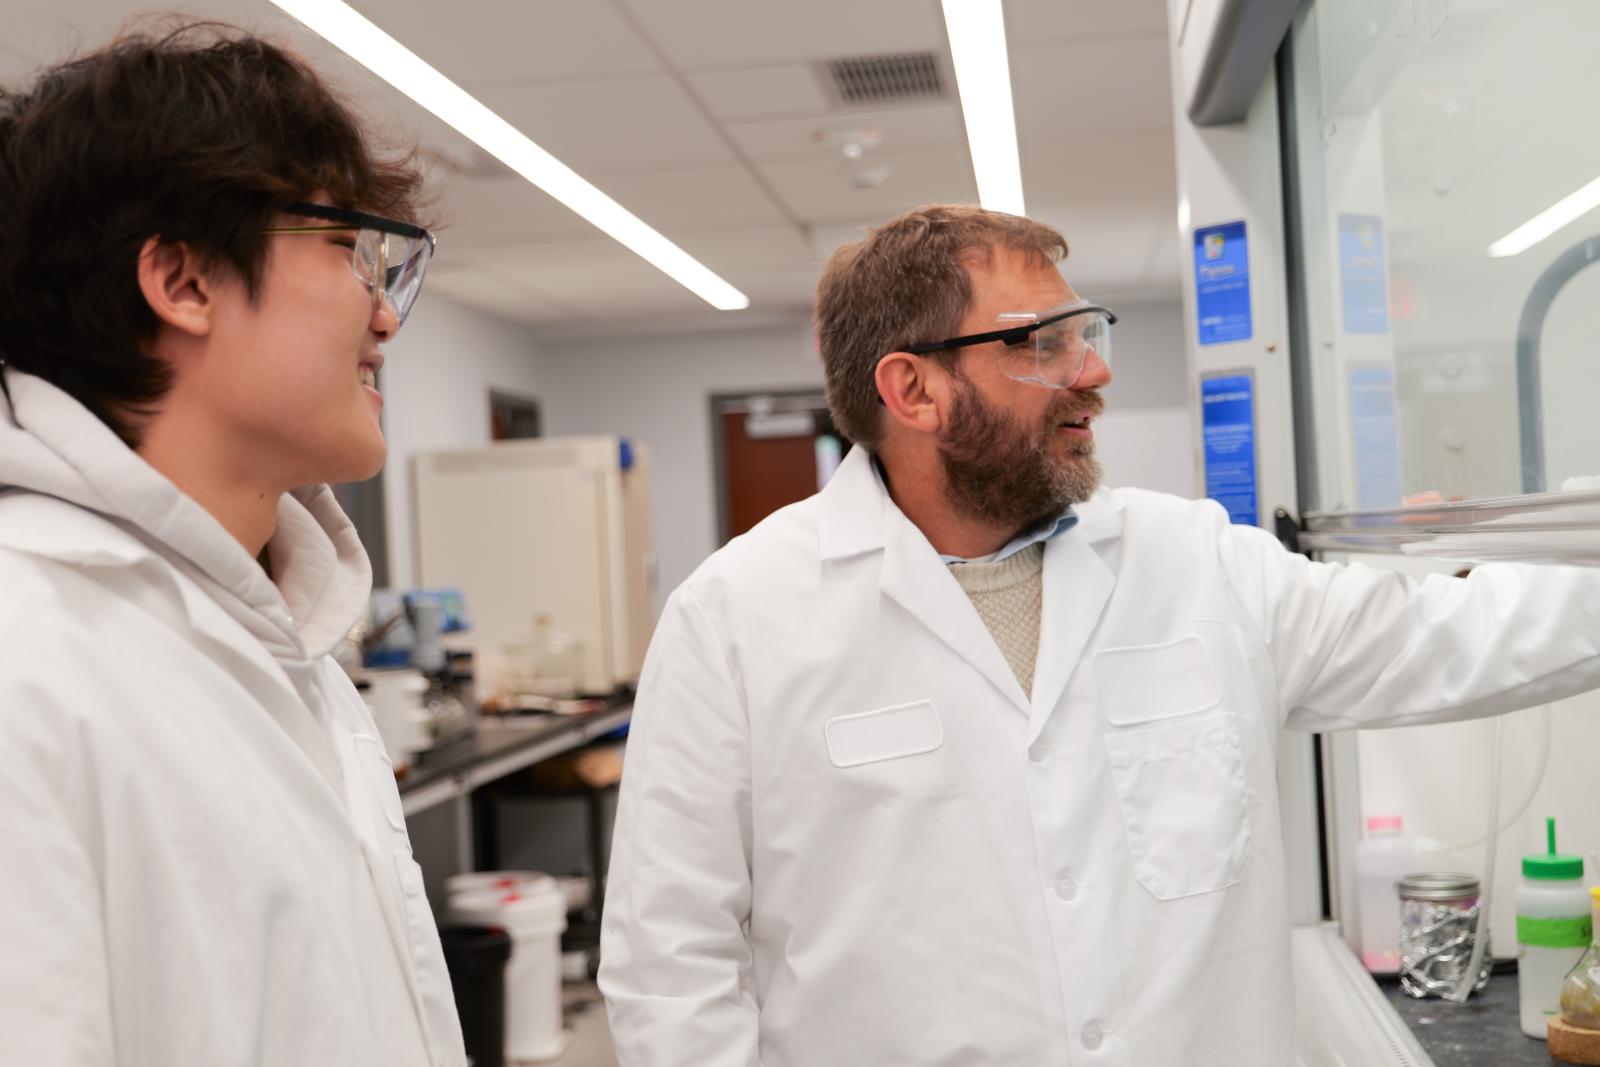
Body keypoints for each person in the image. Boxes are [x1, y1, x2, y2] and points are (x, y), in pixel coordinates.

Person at [599, 204, 1600, 1066]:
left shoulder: (1198, 564)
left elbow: (1461, 635)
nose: (1093, 369)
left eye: (1084, 332)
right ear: (913, 390)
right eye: (1043, 343)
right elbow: (668, 967)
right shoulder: (736, 619)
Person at [0, 24, 463, 1067]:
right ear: (185, 280)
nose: (385, 318)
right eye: (350, 252)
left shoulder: (290, 650)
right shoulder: (26, 660)